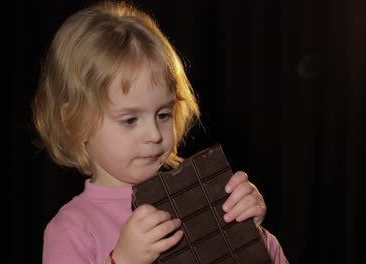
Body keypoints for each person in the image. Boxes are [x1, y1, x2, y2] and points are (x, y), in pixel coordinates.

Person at [32, 1, 288, 263]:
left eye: (163, 114)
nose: (154, 134)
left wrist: (252, 235)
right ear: (75, 122)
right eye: (130, 120)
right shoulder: (73, 228)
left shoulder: (197, 201)